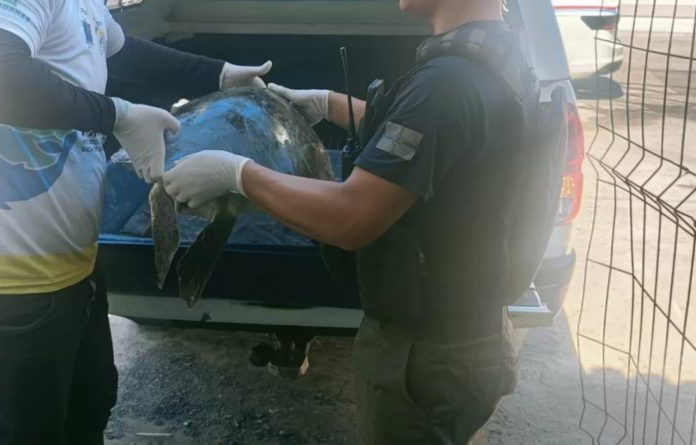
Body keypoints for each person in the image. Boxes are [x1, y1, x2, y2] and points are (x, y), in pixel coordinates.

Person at [164, 0, 550, 443]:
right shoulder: (496, 53)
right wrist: (330, 105)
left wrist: (236, 173)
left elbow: (350, 218)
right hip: (466, 327)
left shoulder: (448, 82)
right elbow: (439, 131)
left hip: (426, 354)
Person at [0, 0, 270, 443]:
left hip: (67, 268)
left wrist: (218, 74)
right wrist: (117, 115)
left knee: (87, 410)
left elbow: (118, 49)